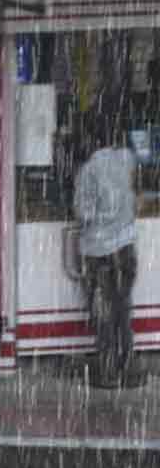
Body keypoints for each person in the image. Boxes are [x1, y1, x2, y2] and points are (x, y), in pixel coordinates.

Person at [74, 123, 145, 389]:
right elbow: (134, 190)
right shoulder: (126, 158)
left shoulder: (87, 170)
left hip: (99, 252)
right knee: (123, 310)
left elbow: (83, 213)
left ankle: (109, 374)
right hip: (126, 249)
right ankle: (128, 371)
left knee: (104, 315)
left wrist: (95, 217)